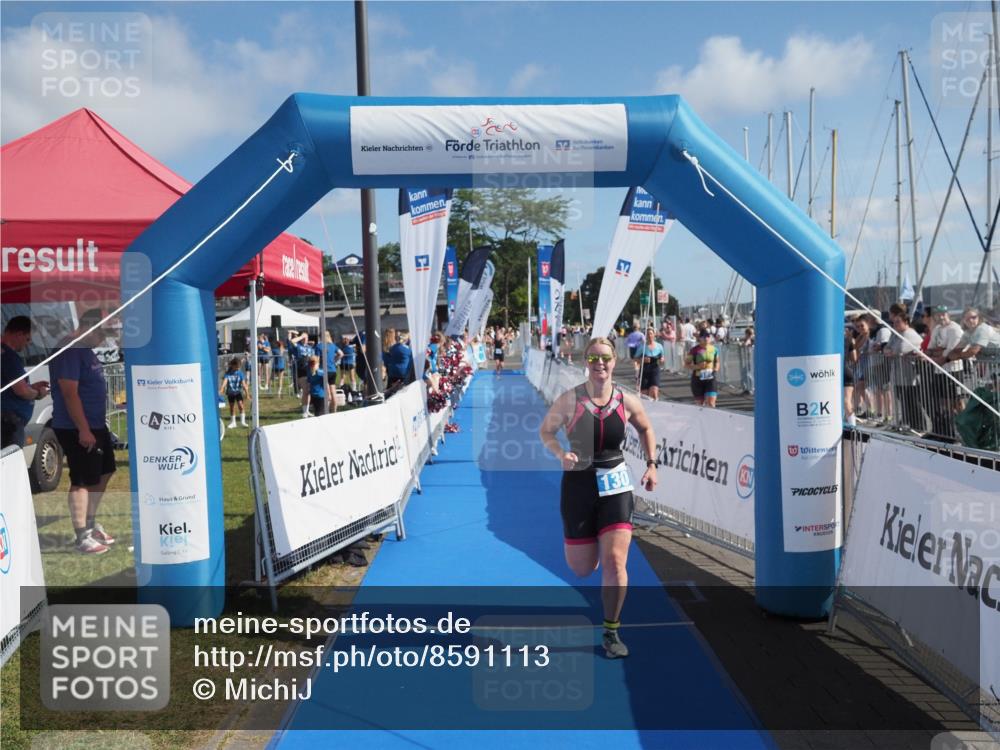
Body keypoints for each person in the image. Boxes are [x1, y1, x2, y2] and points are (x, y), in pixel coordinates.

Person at [539, 337, 659, 659]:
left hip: (616, 485)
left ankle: (611, 631)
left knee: (615, 561)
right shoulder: (570, 400)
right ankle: (591, 555)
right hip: (578, 486)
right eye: (593, 359)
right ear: (586, 363)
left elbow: (646, 429)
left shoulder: (627, 400)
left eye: (605, 358)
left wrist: (651, 465)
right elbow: (546, 431)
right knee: (582, 567)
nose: (600, 364)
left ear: (615, 360)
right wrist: (560, 452)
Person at [49, 309, 116, 554]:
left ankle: (90, 521)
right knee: (82, 479)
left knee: (105, 471)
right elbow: (69, 392)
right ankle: (82, 535)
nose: (103, 339)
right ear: (91, 327)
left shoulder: (85, 351)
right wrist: (83, 429)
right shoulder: (70, 350)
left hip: (95, 424)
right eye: (102, 332)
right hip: (76, 427)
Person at [1, 316, 50, 449]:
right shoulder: (8, 356)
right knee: (10, 463)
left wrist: (30, 387)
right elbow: (21, 391)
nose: (28, 344)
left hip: (7, 421)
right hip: (8, 424)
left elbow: (11, 386)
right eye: (27, 339)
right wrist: (38, 393)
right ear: (19, 334)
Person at [686, 329, 721, 407]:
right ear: (700, 338)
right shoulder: (694, 350)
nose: (706, 338)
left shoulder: (714, 349)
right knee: (700, 406)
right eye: (704, 337)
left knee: (711, 403)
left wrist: (715, 369)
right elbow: (686, 364)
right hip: (698, 379)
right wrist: (697, 366)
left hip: (710, 378)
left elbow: (717, 362)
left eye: (708, 336)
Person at [220, 357, 249, 428]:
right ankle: (233, 423)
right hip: (230, 393)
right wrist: (221, 389)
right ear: (232, 365)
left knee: (241, 406)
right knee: (232, 407)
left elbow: (244, 385)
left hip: (238, 392)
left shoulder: (240, 374)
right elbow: (224, 383)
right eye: (237, 367)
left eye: (239, 367)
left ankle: (243, 422)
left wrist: (247, 394)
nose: (238, 368)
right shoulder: (228, 374)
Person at [638, 328, 664, 401]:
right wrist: (643, 360)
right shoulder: (642, 346)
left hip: (655, 369)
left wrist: (662, 360)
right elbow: (635, 359)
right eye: (648, 334)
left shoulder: (659, 346)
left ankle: (656, 409)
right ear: (645, 336)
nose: (649, 335)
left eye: (651, 333)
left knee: (654, 392)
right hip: (644, 370)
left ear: (654, 334)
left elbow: (662, 357)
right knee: (644, 395)